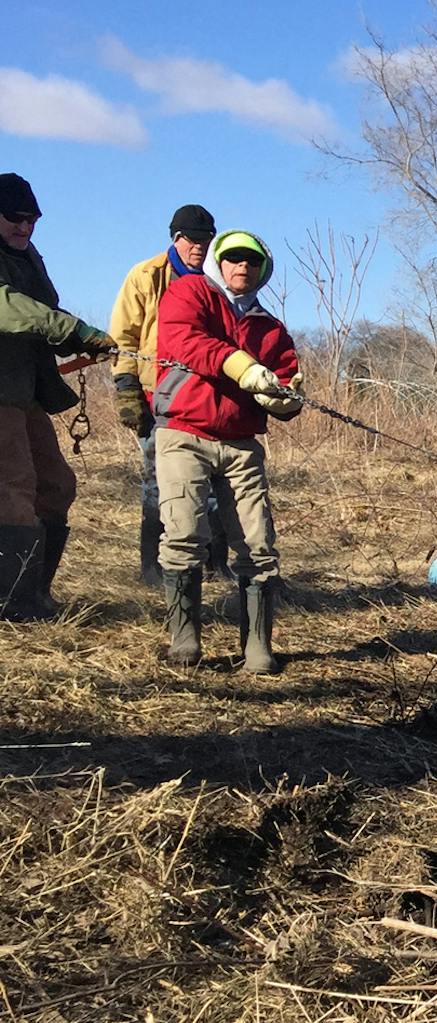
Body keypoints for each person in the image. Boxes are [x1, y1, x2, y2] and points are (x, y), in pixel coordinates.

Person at [152, 228, 301, 671]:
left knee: (258, 546)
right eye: (234, 258)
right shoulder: (189, 292)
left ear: (262, 271)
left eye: (251, 261)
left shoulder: (271, 328)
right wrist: (241, 365)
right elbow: (184, 341)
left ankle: (257, 649)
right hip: (183, 432)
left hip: (241, 444)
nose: (242, 266)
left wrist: (285, 398)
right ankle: (185, 643)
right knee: (182, 535)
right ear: (219, 261)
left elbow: (286, 378)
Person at [0, 173, 116, 621]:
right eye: (15, 217)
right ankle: (12, 606)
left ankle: (36, 593)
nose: (24, 227)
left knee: (56, 486)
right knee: (12, 489)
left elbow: (46, 310)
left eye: (32, 220)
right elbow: (9, 306)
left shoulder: (28, 257)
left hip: (26, 392)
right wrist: (71, 330)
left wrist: (84, 339)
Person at [111, 204, 231, 585]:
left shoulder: (219, 282)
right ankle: (153, 568)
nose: (200, 247)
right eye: (192, 240)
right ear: (175, 238)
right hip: (155, 395)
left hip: (207, 397)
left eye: (206, 240)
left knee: (213, 483)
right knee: (157, 483)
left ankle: (215, 565)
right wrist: (126, 388)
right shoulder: (145, 275)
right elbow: (123, 337)